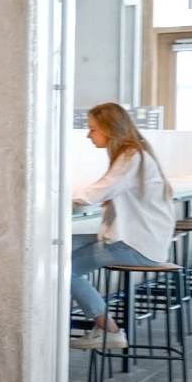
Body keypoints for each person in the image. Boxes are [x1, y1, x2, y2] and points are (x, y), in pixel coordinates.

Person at [70, 102, 175, 350]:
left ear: (111, 129)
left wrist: (59, 194)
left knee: (60, 269)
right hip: (131, 241)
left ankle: (109, 330)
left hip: (134, 246)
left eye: (93, 129)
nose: (88, 135)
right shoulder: (133, 155)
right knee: (53, 249)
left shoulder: (132, 157)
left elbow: (95, 194)